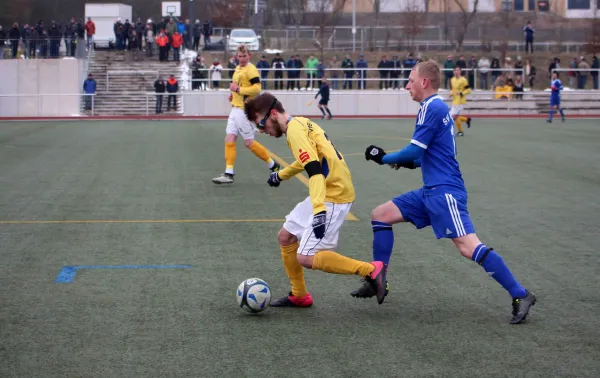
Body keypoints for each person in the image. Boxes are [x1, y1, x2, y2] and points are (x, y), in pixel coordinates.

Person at [356, 60, 536, 324]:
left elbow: (415, 151)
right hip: (432, 191)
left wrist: (383, 157)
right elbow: (423, 156)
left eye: (410, 80)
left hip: (445, 193)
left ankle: (521, 294)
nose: (407, 86)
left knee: (467, 246)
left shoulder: (433, 106)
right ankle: (377, 279)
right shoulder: (432, 108)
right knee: (380, 215)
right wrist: (405, 162)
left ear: (424, 82)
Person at [243, 92, 388, 307]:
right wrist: (281, 175)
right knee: (286, 236)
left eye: (262, 124)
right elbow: (308, 161)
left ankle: (370, 270)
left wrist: (319, 211)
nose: (263, 131)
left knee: (306, 257)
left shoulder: (295, 132)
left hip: (333, 195)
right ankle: (299, 295)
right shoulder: (300, 122)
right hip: (326, 191)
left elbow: (315, 171)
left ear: (273, 114)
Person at [212, 44, 280, 184]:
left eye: (244, 56)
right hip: (235, 109)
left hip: (244, 110)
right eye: (239, 56)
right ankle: (228, 173)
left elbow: (257, 89)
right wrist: (233, 95)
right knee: (229, 139)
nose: (241, 58)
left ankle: (272, 164)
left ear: (249, 56)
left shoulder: (251, 69)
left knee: (249, 142)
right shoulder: (238, 68)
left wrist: (238, 90)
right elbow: (237, 86)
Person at [450, 66, 472, 137]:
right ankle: (463, 126)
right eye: (455, 70)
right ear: (453, 72)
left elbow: (468, 90)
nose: (456, 72)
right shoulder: (452, 79)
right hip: (454, 100)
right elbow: (453, 89)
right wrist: (451, 93)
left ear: (460, 71)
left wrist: (462, 93)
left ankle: (449, 132)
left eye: (457, 70)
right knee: (456, 117)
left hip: (460, 101)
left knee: (451, 117)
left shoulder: (463, 80)